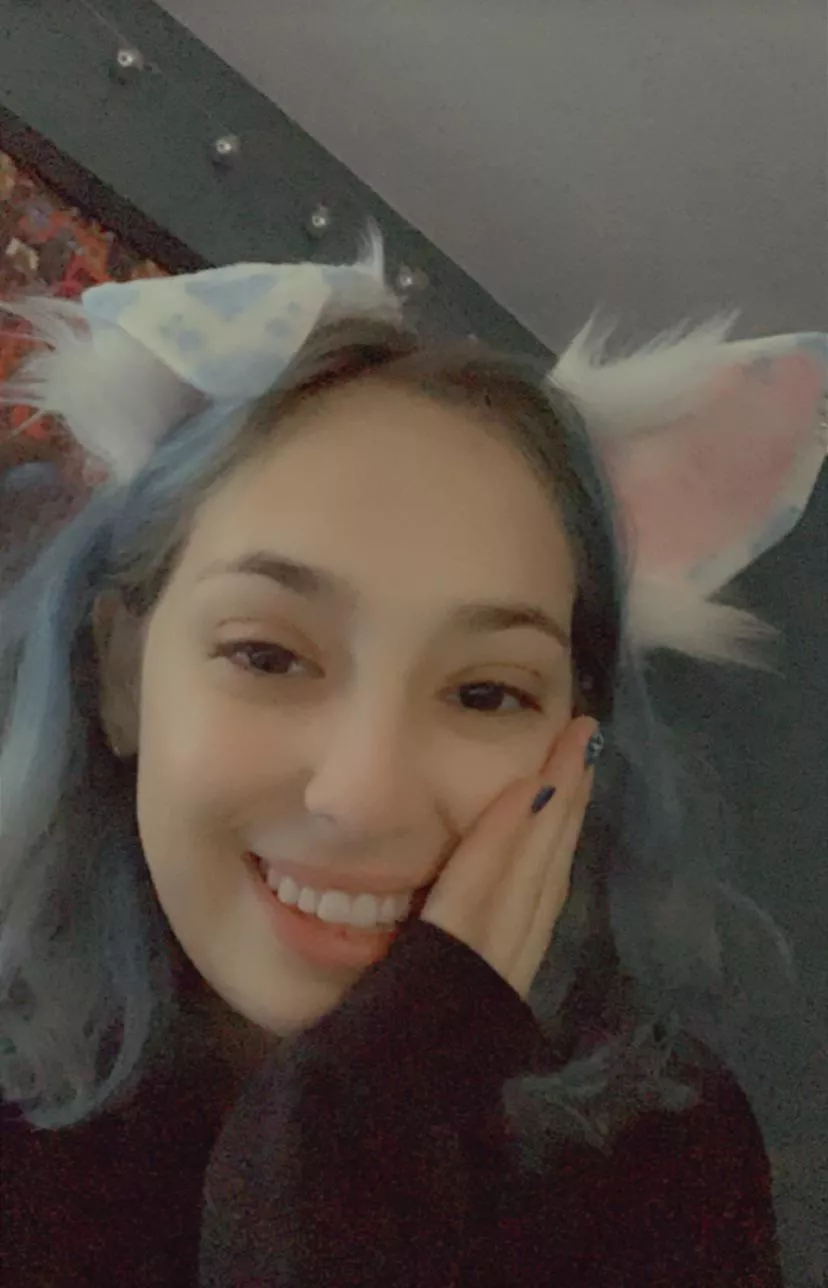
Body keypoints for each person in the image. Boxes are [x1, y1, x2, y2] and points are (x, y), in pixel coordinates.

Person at [0, 228, 825, 1287]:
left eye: (486, 693)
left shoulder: (668, 1165)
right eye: (267, 655)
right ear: (121, 674)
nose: (363, 796)